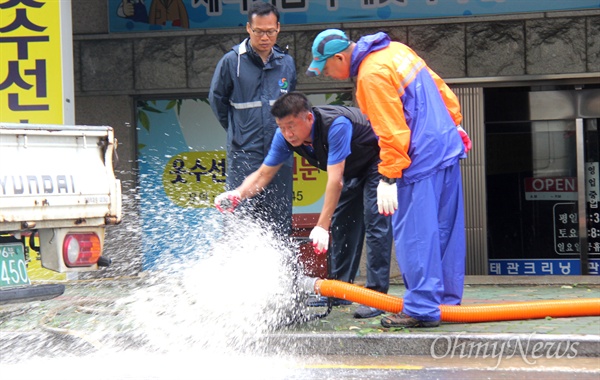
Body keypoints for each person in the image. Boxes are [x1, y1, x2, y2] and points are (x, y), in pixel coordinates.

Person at [306, 29, 472, 328]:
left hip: (418, 158)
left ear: (340, 57)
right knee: (445, 230)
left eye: (327, 67)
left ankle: (422, 308)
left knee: (417, 236)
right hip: (446, 147)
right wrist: (454, 125)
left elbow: (392, 130)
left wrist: (387, 176)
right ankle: (447, 303)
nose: (328, 75)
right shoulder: (397, 51)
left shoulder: (371, 74)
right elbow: (440, 89)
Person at [215, 91, 393, 319]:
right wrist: (238, 194)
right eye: (282, 127)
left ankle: (376, 296)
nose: (287, 133)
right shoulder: (284, 137)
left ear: (309, 118)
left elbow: (335, 181)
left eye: (291, 126)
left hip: (378, 162)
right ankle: (339, 291)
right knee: (343, 223)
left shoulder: (336, 125)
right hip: (353, 169)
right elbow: (262, 174)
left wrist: (320, 225)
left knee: (374, 220)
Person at [208, 2, 296, 238]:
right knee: (240, 217)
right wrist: (237, 131)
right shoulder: (232, 61)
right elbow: (217, 101)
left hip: (279, 152)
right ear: (248, 28)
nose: (264, 37)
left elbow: (290, 107)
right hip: (244, 152)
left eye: (270, 31)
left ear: (278, 28)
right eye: (258, 31)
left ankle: (280, 273)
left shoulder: (286, 62)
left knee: (278, 219)